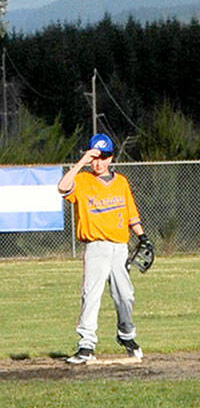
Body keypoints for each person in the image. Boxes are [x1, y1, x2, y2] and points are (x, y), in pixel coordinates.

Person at [57, 133, 149, 364]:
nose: (99, 162)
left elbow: (131, 214)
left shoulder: (121, 182)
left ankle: (126, 335)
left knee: (125, 296)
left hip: (120, 247)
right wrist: (81, 163)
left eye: (103, 157)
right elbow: (62, 187)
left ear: (111, 159)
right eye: (95, 157)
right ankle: (86, 345)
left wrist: (143, 237)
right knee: (91, 295)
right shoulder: (83, 181)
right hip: (95, 246)